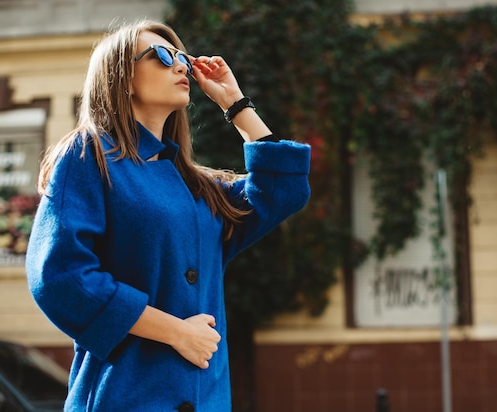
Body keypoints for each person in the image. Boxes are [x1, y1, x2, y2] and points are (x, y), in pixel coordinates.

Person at [25, 19, 311, 412]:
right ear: (122, 77)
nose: (180, 66)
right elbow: (60, 278)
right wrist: (176, 332)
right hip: (125, 397)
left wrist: (236, 104)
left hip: (206, 399)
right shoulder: (89, 155)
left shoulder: (196, 185)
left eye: (181, 57)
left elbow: (282, 193)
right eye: (161, 56)